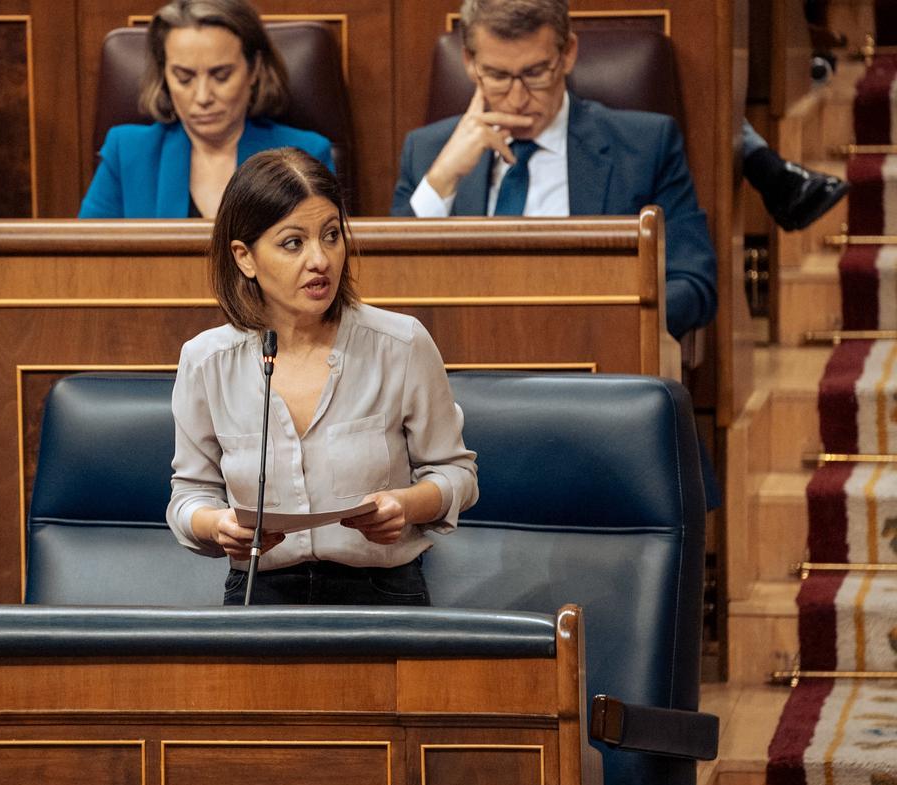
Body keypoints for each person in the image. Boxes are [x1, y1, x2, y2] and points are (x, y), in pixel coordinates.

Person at [166, 147, 478, 605]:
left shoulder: (401, 344)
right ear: (244, 257)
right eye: (294, 243)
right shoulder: (207, 360)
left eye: (331, 235)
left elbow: (456, 472)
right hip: (261, 592)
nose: (321, 260)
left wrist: (407, 505)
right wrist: (217, 526)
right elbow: (189, 495)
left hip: (382, 592)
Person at [391, 0, 715, 341]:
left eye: (534, 73)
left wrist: (602, 322)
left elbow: (693, 283)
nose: (517, 98)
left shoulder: (645, 146)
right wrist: (442, 179)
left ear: (568, 53)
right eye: (499, 76)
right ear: (470, 63)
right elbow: (390, 290)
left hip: (593, 365)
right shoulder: (428, 151)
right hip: (460, 369)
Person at [78, 0, 334, 219]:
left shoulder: (307, 154)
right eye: (184, 77)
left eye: (221, 76)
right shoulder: (127, 153)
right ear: (164, 74)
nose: (202, 97)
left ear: (254, 69)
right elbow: (89, 263)